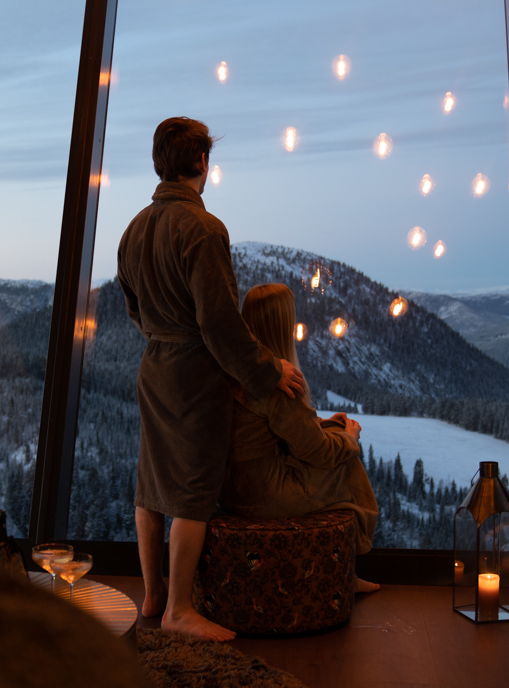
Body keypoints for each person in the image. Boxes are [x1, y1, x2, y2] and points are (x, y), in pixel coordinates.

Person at [117, 117, 305, 642]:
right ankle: (179, 608)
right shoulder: (204, 229)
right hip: (195, 373)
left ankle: (152, 594)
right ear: (202, 163)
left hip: (153, 366)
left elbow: (133, 309)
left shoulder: (133, 230)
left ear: (161, 163)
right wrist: (270, 372)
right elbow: (219, 324)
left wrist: (162, 334)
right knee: (192, 491)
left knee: (151, 485)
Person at [220, 283, 380, 593]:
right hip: (265, 493)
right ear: (283, 324)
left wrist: (328, 424)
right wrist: (350, 439)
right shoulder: (279, 379)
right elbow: (317, 450)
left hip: (231, 487)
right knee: (347, 460)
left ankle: (348, 569)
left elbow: (284, 428)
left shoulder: (239, 370)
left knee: (336, 434)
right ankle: (350, 569)